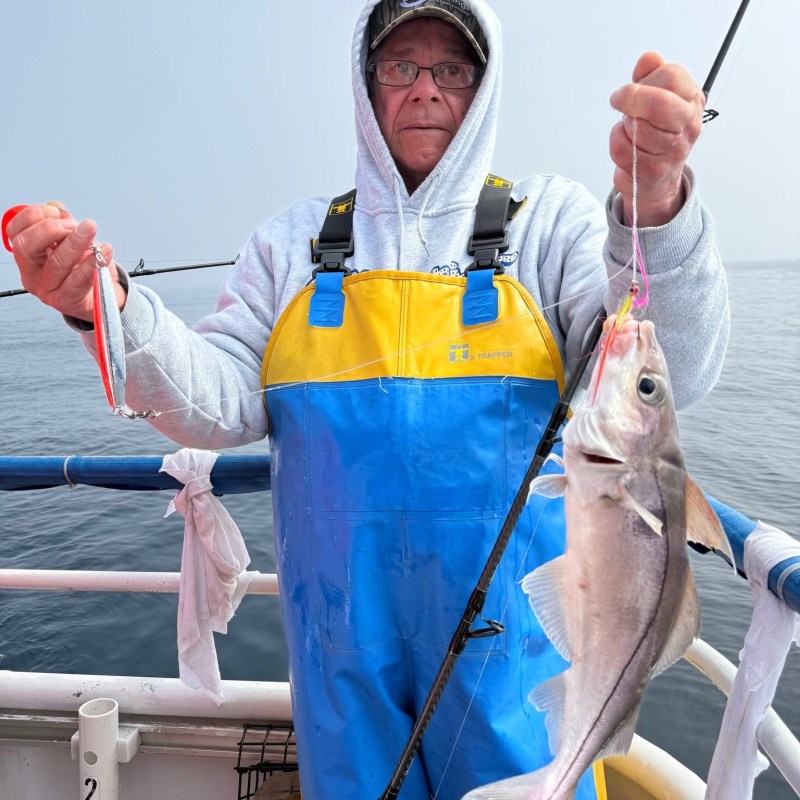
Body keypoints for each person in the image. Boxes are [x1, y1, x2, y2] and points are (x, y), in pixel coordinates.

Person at [8, 0, 729, 797]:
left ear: (482, 87)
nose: (425, 88)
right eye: (401, 66)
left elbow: (674, 369)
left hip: (515, 660)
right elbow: (210, 406)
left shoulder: (548, 222)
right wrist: (104, 307)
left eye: (451, 69)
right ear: (367, 83)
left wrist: (656, 206)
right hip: (338, 660)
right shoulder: (291, 245)